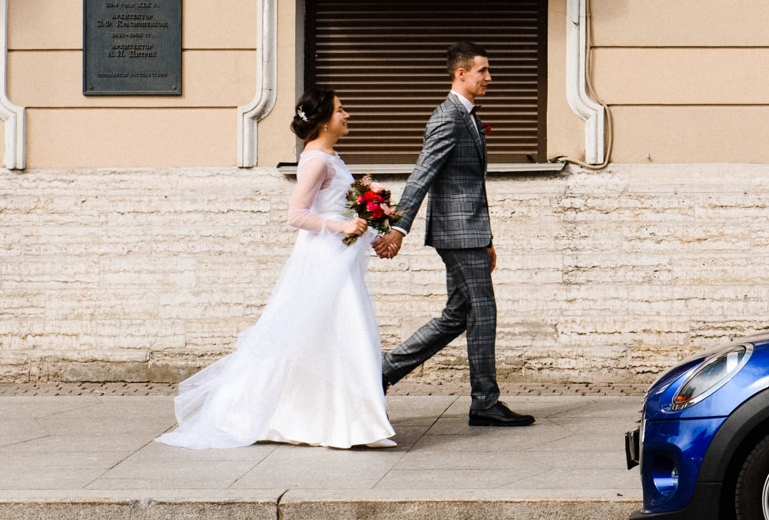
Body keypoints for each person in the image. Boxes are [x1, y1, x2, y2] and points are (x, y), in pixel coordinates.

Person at [158, 88, 397, 450]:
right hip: (323, 258)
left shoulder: (331, 156)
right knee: (336, 330)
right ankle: (323, 419)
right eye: (340, 110)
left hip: (339, 256)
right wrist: (343, 226)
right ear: (323, 121)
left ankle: (339, 418)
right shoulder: (316, 160)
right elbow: (296, 215)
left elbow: (340, 204)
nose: (347, 115)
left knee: (334, 335)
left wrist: (372, 214)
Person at [377, 42, 534, 428]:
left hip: (469, 231)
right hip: (457, 232)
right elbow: (423, 172)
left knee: (457, 315)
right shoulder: (448, 117)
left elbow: (470, 185)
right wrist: (399, 227)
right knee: (483, 311)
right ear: (461, 74)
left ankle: (383, 372)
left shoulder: (467, 115)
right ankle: (484, 402)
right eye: (483, 70)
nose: (489, 77)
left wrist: (487, 238)